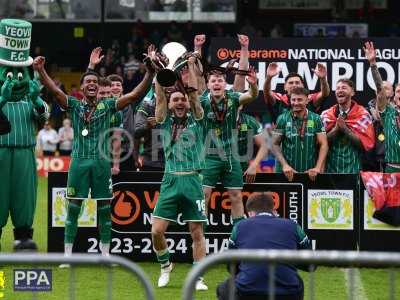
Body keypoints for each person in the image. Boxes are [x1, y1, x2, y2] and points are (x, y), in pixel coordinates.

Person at [32, 46, 154, 264]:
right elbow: (56, 92)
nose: (91, 84)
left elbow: (135, 95)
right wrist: (41, 71)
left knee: (105, 210)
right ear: (81, 88)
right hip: (78, 162)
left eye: (95, 83)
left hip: (101, 163)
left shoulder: (108, 106)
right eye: (87, 82)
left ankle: (105, 255)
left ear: (98, 89)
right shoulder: (75, 105)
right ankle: (68, 256)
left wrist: (150, 73)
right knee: (73, 209)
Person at [151, 54, 208, 290]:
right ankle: (166, 266)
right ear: (170, 101)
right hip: (170, 180)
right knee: (156, 231)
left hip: (193, 180)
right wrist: (159, 68)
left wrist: (192, 66)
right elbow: (158, 95)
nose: (180, 102)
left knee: (197, 232)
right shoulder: (164, 121)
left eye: (182, 99)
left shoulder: (198, 119)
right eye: (175, 99)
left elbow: (195, 94)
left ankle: (198, 277)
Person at [216, 192, 312, 300]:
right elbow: (310, 264)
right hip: (288, 293)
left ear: (250, 213)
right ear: (273, 210)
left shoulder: (239, 226)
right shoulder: (293, 226)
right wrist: (287, 261)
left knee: (224, 287)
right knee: (297, 282)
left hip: (248, 292)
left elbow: (231, 267)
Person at [201, 68, 258, 226]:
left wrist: (253, 85)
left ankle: (237, 236)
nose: (217, 83)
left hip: (231, 157)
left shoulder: (233, 98)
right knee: (204, 195)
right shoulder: (202, 101)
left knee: (236, 195)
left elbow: (252, 95)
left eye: (220, 80)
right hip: (209, 156)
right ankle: (200, 239)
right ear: (208, 85)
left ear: (225, 84)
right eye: (213, 81)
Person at [272, 87, 328, 181]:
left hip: (311, 174)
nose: (296, 103)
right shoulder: (282, 118)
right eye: (293, 100)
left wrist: (318, 168)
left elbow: (324, 144)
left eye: (299, 100)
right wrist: (285, 165)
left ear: (307, 101)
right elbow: (274, 144)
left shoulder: (316, 118)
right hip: (288, 174)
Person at [321, 79, 375, 174]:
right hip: (330, 170)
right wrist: (336, 129)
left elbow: (365, 145)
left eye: (344, 88)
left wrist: (346, 130)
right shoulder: (326, 115)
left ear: (352, 92)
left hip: (354, 169)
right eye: (337, 88)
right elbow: (319, 142)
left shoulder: (363, 115)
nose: (340, 90)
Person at [367, 41, 400, 173]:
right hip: (391, 169)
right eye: (398, 91)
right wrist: (373, 63)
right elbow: (380, 89)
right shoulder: (388, 112)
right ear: (393, 95)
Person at [263, 62, 330, 122]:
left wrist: (323, 79)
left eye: (297, 82)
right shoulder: (280, 99)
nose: (294, 85)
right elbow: (267, 92)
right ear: (285, 87)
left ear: (303, 86)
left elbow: (324, 93)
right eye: (291, 83)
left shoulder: (309, 99)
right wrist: (269, 77)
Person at [236, 107, 270, 183]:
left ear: (241, 105)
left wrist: (254, 165)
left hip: (244, 173)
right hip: (218, 172)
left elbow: (265, 145)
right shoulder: (214, 120)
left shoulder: (250, 122)